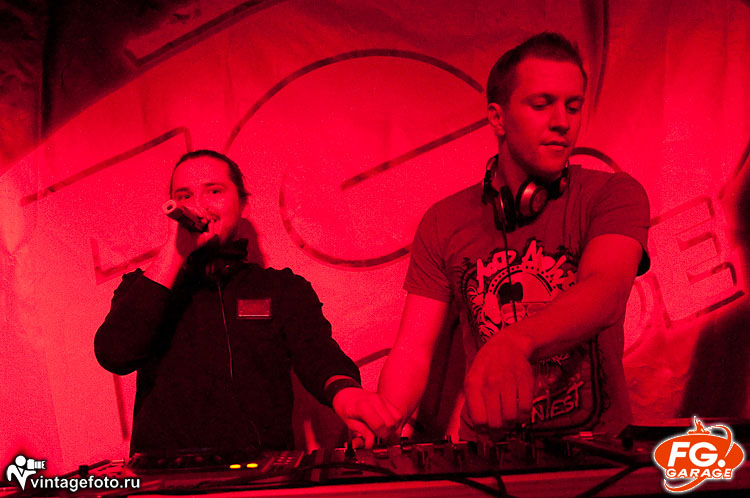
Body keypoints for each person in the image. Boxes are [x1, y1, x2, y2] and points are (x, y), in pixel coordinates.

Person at [341, 32, 650, 444]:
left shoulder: (613, 194)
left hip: (599, 457)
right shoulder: (445, 221)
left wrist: (516, 342)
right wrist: (383, 422)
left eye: (573, 106)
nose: (562, 121)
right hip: (489, 461)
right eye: (541, 104)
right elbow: (413, 350)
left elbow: (606, 290)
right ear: (497, 118)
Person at [94, 149, 364, 454]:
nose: (199, 205)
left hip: (262, 474)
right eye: (184, 196)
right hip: (163, 473)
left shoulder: (282, 289)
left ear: (243, 204)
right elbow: (114, 354)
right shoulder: (144, 287)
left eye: (214, 191)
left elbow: (318, 355)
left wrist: (346, 392)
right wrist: (175, 252)